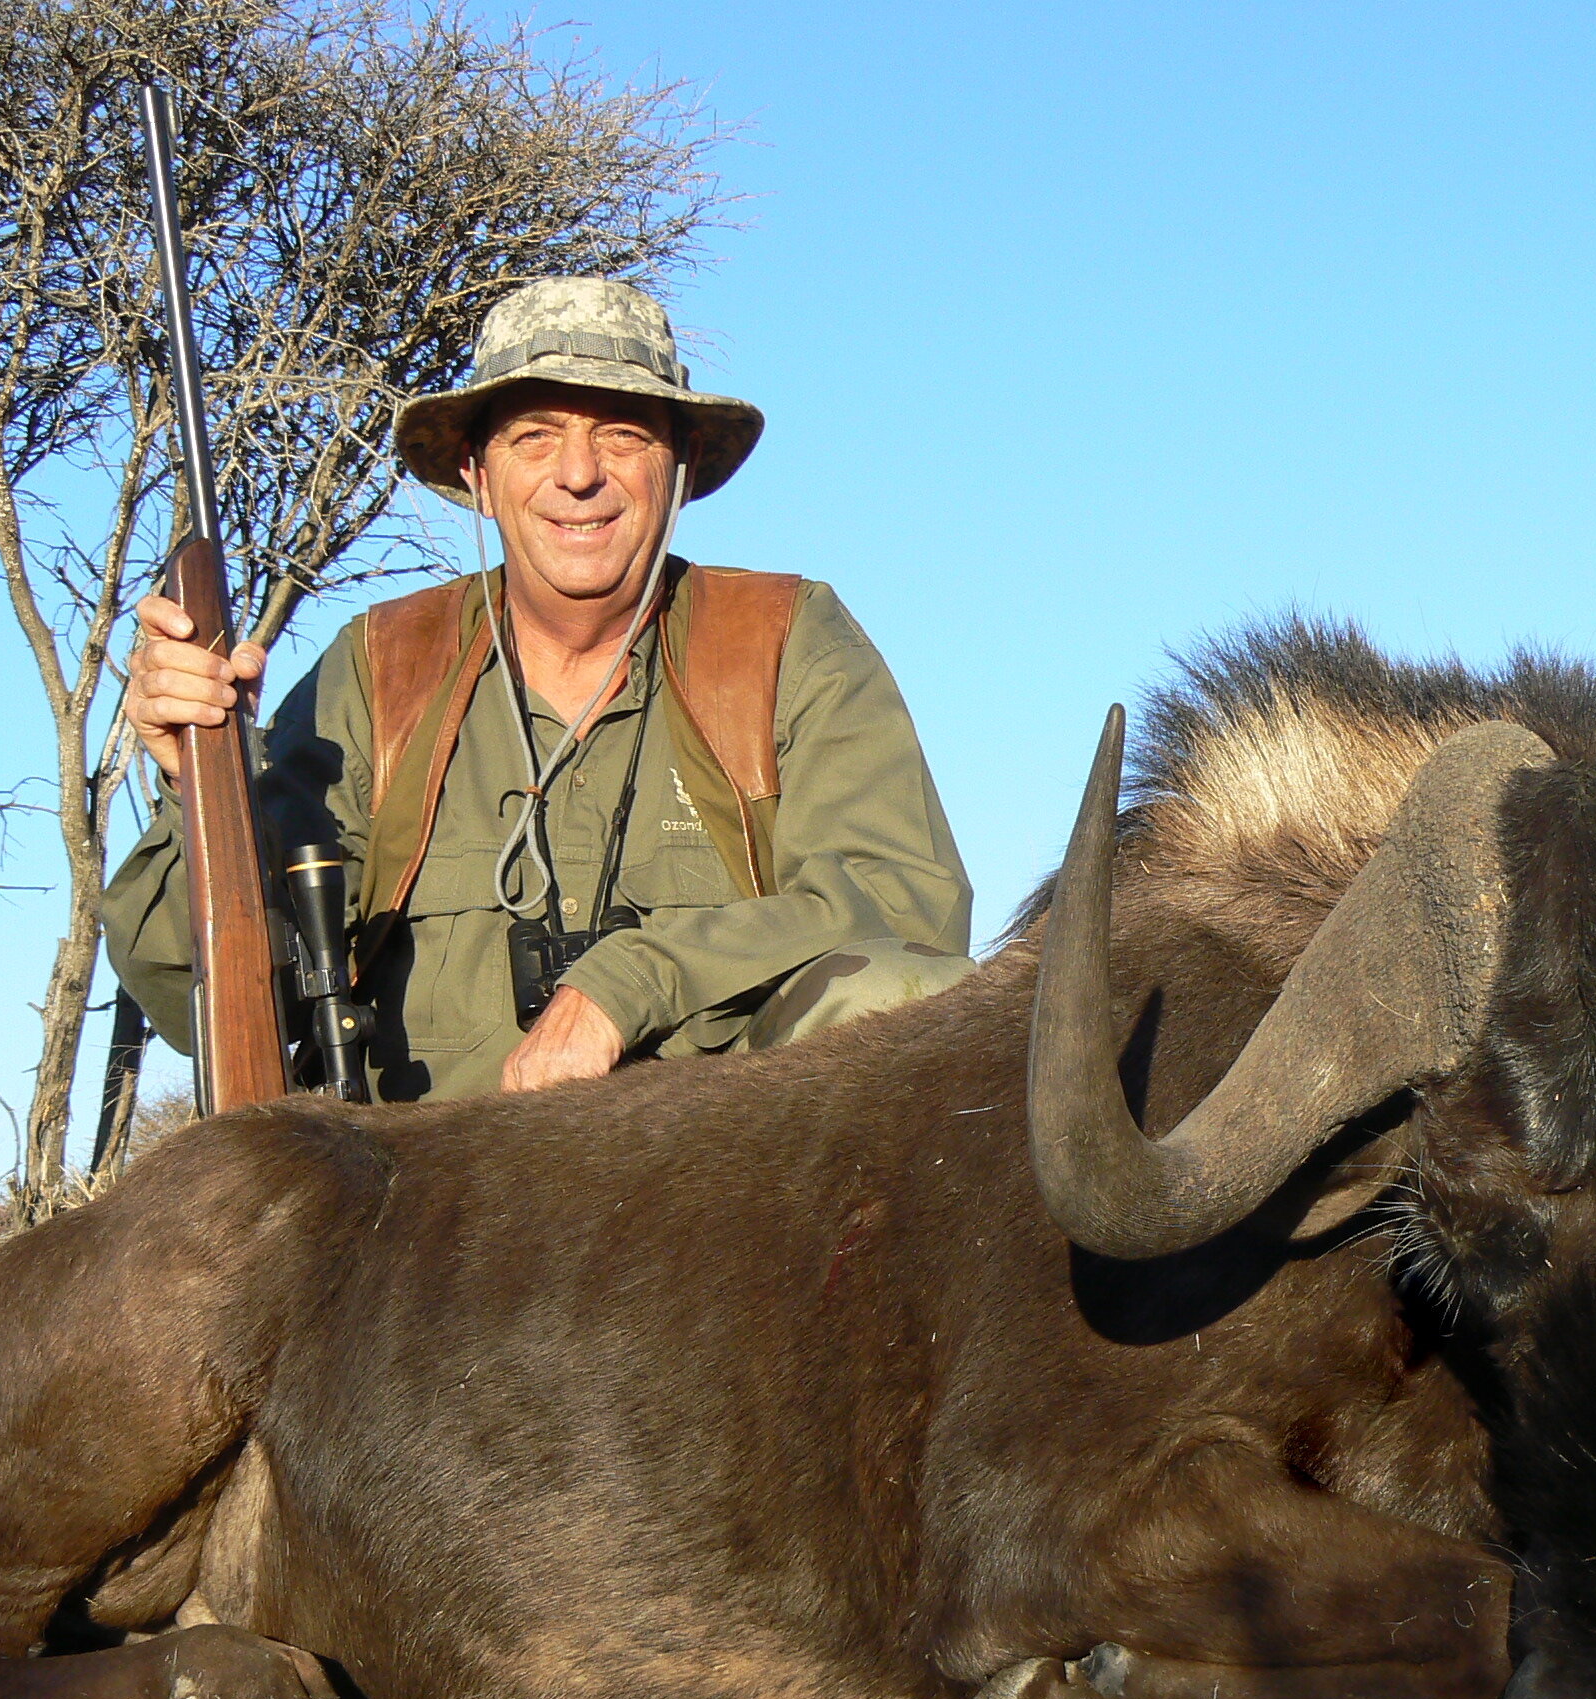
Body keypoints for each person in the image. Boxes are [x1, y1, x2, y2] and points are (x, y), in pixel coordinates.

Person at [105, 278, 973, 1101]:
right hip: (437, 1200)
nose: (579, 474)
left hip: (726, 1196)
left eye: (624, 435)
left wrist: (631, 981)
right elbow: (200, 1000)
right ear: (480, 476)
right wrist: (197, 782)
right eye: (534, 437)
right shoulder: (380, 665)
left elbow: (903, 905)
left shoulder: (784, 637)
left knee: (905, 995)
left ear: (681, 464)